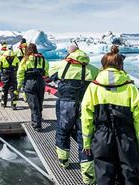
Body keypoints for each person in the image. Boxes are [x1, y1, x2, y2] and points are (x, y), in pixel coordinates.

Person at [81, 46, 139, 185]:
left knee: (104, 175)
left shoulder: (93, 87)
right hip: (126, 138)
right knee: (130, 175)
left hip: (101, 136)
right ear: (120, 65)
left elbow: (86, 118)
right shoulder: (131, 88)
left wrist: (87, 143)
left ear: (103, 65)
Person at [49, 46, 99, 184]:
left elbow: (50, 75)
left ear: (70, 54)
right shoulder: (93, 69)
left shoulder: (61, 65)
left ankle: (63, 161)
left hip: (65, 104)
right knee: (85, 138)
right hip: (85, 106)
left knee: (62, 131)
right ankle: (88, 177)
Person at [17, 43, 49, 131]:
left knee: (33, 104)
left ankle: (37, 125)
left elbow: (20, 73)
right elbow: (46, 73)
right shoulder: (43, 59)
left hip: (29, 83)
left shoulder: (25, 60)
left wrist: (19, 85)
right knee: (39, 101)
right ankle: (38, 119)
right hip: (40, 82)